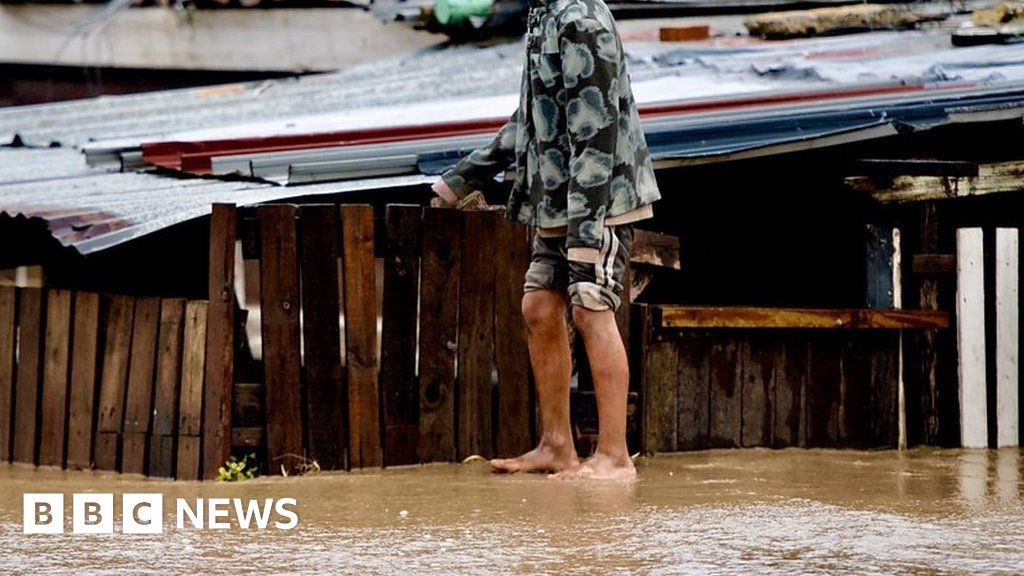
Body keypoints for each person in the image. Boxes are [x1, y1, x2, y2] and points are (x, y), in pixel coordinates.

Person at [431, 0, 660, 480]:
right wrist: (462, 179)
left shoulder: (580, 19)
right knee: (538, 307)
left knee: (590, 308)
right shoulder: (543, 17)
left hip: (602, 201)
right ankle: (557, 445)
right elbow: (531, 121)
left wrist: (586, 231)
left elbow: (596, 131)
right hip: (558, 201)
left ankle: (615, 456)